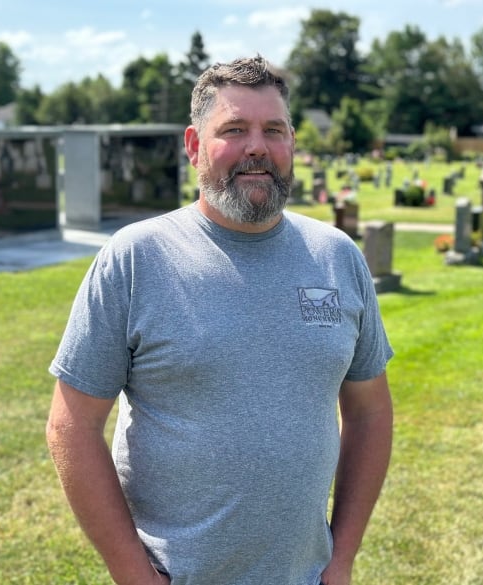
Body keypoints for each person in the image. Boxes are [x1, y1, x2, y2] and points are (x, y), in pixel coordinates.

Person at [46, 54, 394, 585]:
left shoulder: (337, 256)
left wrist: (340, 559)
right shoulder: (136, 258)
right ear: (193, 146)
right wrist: (133, 574)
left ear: (292, 144)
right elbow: (71, 425)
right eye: (234, 129)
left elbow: (370, 412)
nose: (257, 146)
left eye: (273, 130)